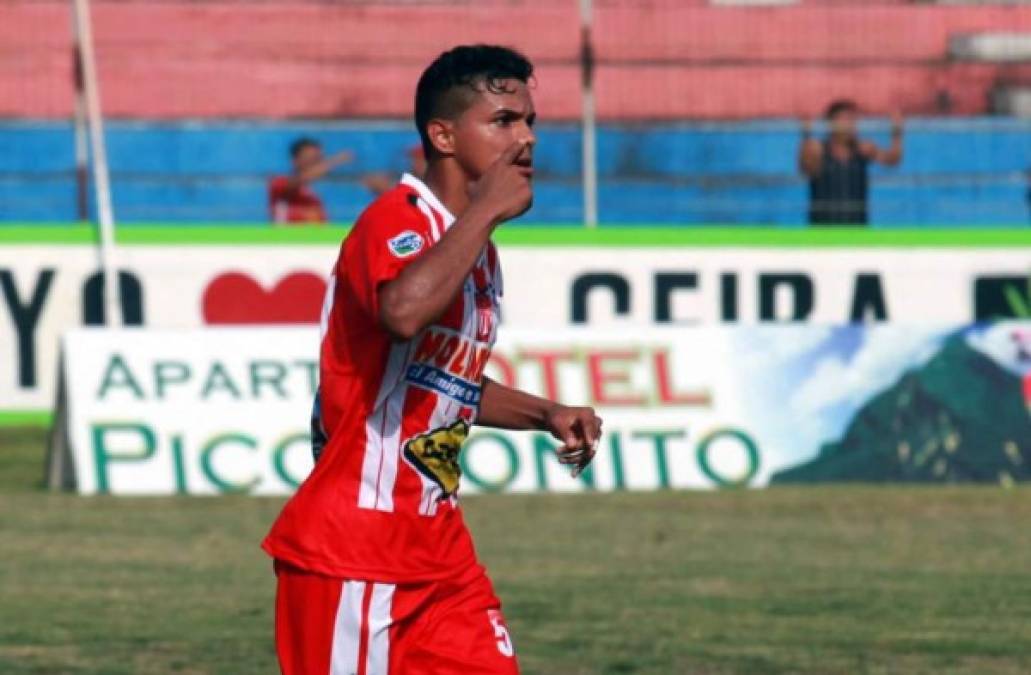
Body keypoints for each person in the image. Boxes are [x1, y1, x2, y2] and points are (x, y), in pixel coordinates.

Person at [263, 45, 603, 675]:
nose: (526, 138)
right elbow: (402, 313)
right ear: (443, 136)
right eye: (504, 121)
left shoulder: (475, 249)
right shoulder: (397, 220)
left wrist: (546, 413)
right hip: (355, 551)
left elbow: (446, 380)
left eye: (530, 121)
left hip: (440, 551)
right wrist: (485, 210)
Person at [799, 99, 903, 226]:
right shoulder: (819, 150)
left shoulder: (863, 149)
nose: (851, 124)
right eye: (845, 119)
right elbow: (806, 168)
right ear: (831, 123)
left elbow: (893, 160)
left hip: (856, 229)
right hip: (824, 229)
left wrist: (897, 133)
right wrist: (806, 136)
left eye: (853, 119)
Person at [268, 137, 353, 224]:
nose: (316, 163)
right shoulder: (279, 183)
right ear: (295, 160)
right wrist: (336, 161)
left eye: (318, 158)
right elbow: (302, 179)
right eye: (311, 158)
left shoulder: (313, 197)